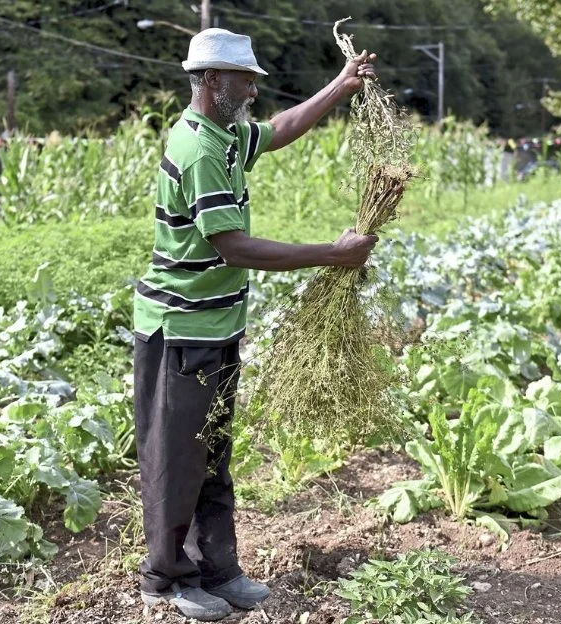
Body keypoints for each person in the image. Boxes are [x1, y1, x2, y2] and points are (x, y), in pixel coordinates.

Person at [132, 27, 379, 621]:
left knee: (211, 453)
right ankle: (164, 579)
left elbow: (280, 130)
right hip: (182, 331)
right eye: (244, 78)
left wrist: (339, 87)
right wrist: (332, 252)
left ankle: (218, 570)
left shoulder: (224, 134)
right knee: (176, 460)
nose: (252, 88)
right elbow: (232, 246)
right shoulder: (197, 148)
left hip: (216, 327)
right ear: (212, 79)